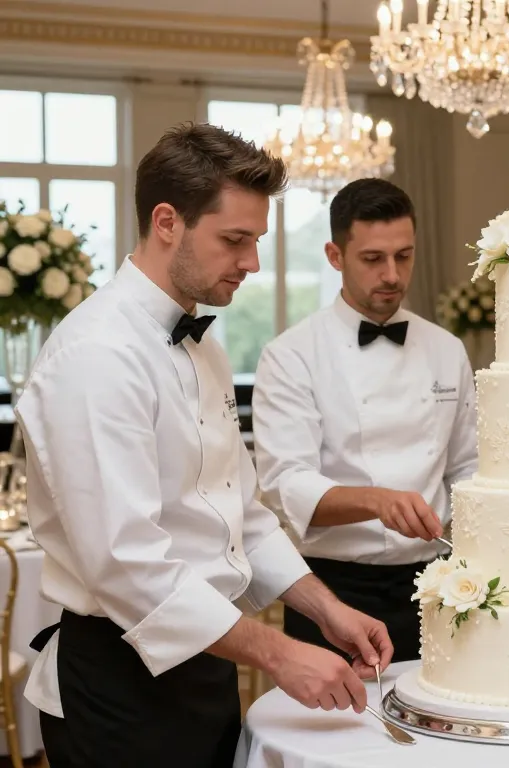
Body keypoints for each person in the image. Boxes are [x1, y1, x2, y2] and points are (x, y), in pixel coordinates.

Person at [15, 123, 394, 768]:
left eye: (256, 242)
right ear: (167, 221)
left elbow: (244, 514)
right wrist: (278, 652)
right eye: (234, 240)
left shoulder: (204, 344)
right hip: (118, 686)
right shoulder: (95, 355)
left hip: (210, 662)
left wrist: (325, 608)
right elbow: (126, 565)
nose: (250, 263)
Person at [252, 178, 477, 663]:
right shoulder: (292, 355)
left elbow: (467, 466)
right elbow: (286, 485)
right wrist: (378, 501)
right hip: (334, 590)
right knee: (335, 733)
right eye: (373, 259)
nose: (392, 274)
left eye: (404, 256)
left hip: (435, 586)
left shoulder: (446, 348)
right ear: (335, 256)